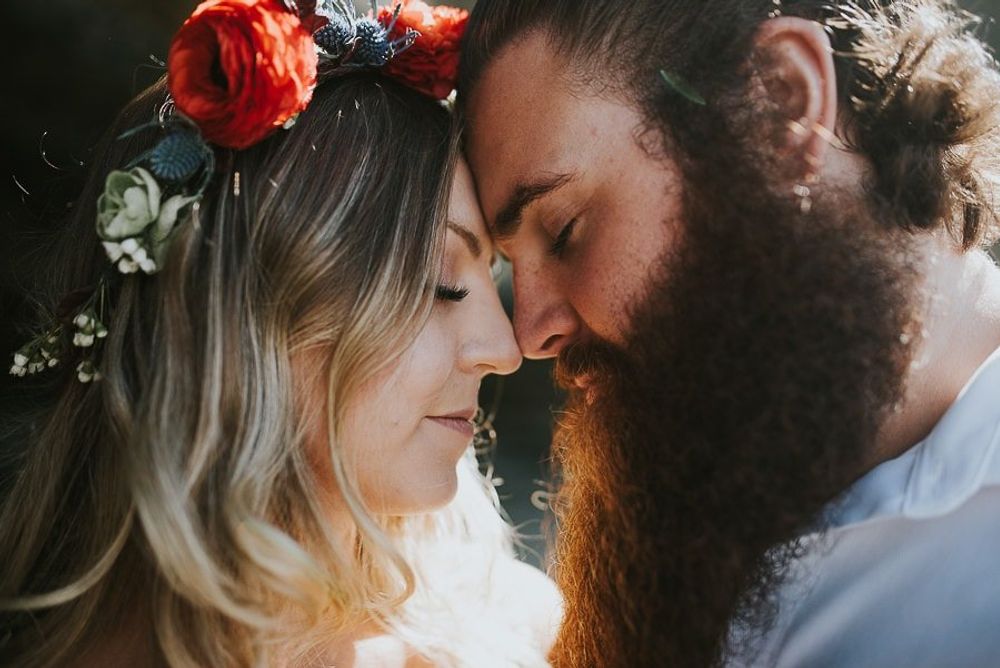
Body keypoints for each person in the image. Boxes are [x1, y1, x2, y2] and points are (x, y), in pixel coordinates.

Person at [0, 1, 559, 666]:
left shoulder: (520, 625)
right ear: (244, 312)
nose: (505, 350)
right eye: (437, 282)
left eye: (488, 276)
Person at [458, 0, 1000, 666]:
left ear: (781, 107)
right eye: (508, 265)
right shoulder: (699, 532)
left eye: (565, 230)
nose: (528, 335)